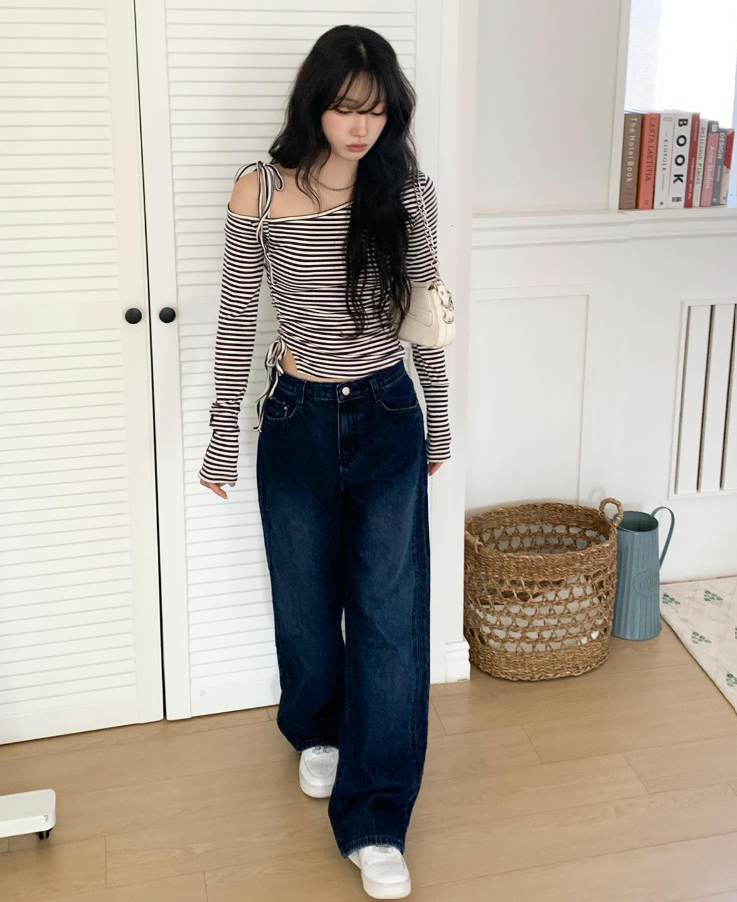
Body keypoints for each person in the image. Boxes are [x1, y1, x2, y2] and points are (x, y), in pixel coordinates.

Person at [198, 23, 451, 900]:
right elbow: (238, 318)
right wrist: (222, 432)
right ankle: (316, 728)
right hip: (297, 417)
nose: (359, 126)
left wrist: (440, 422)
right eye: (345, 108)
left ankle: (376, 819)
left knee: (386, 615)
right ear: (315, 104)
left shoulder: (406, 192)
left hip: (385, 415)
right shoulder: (260, 189)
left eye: (375, 111)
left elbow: (427, 315)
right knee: (304, 598)